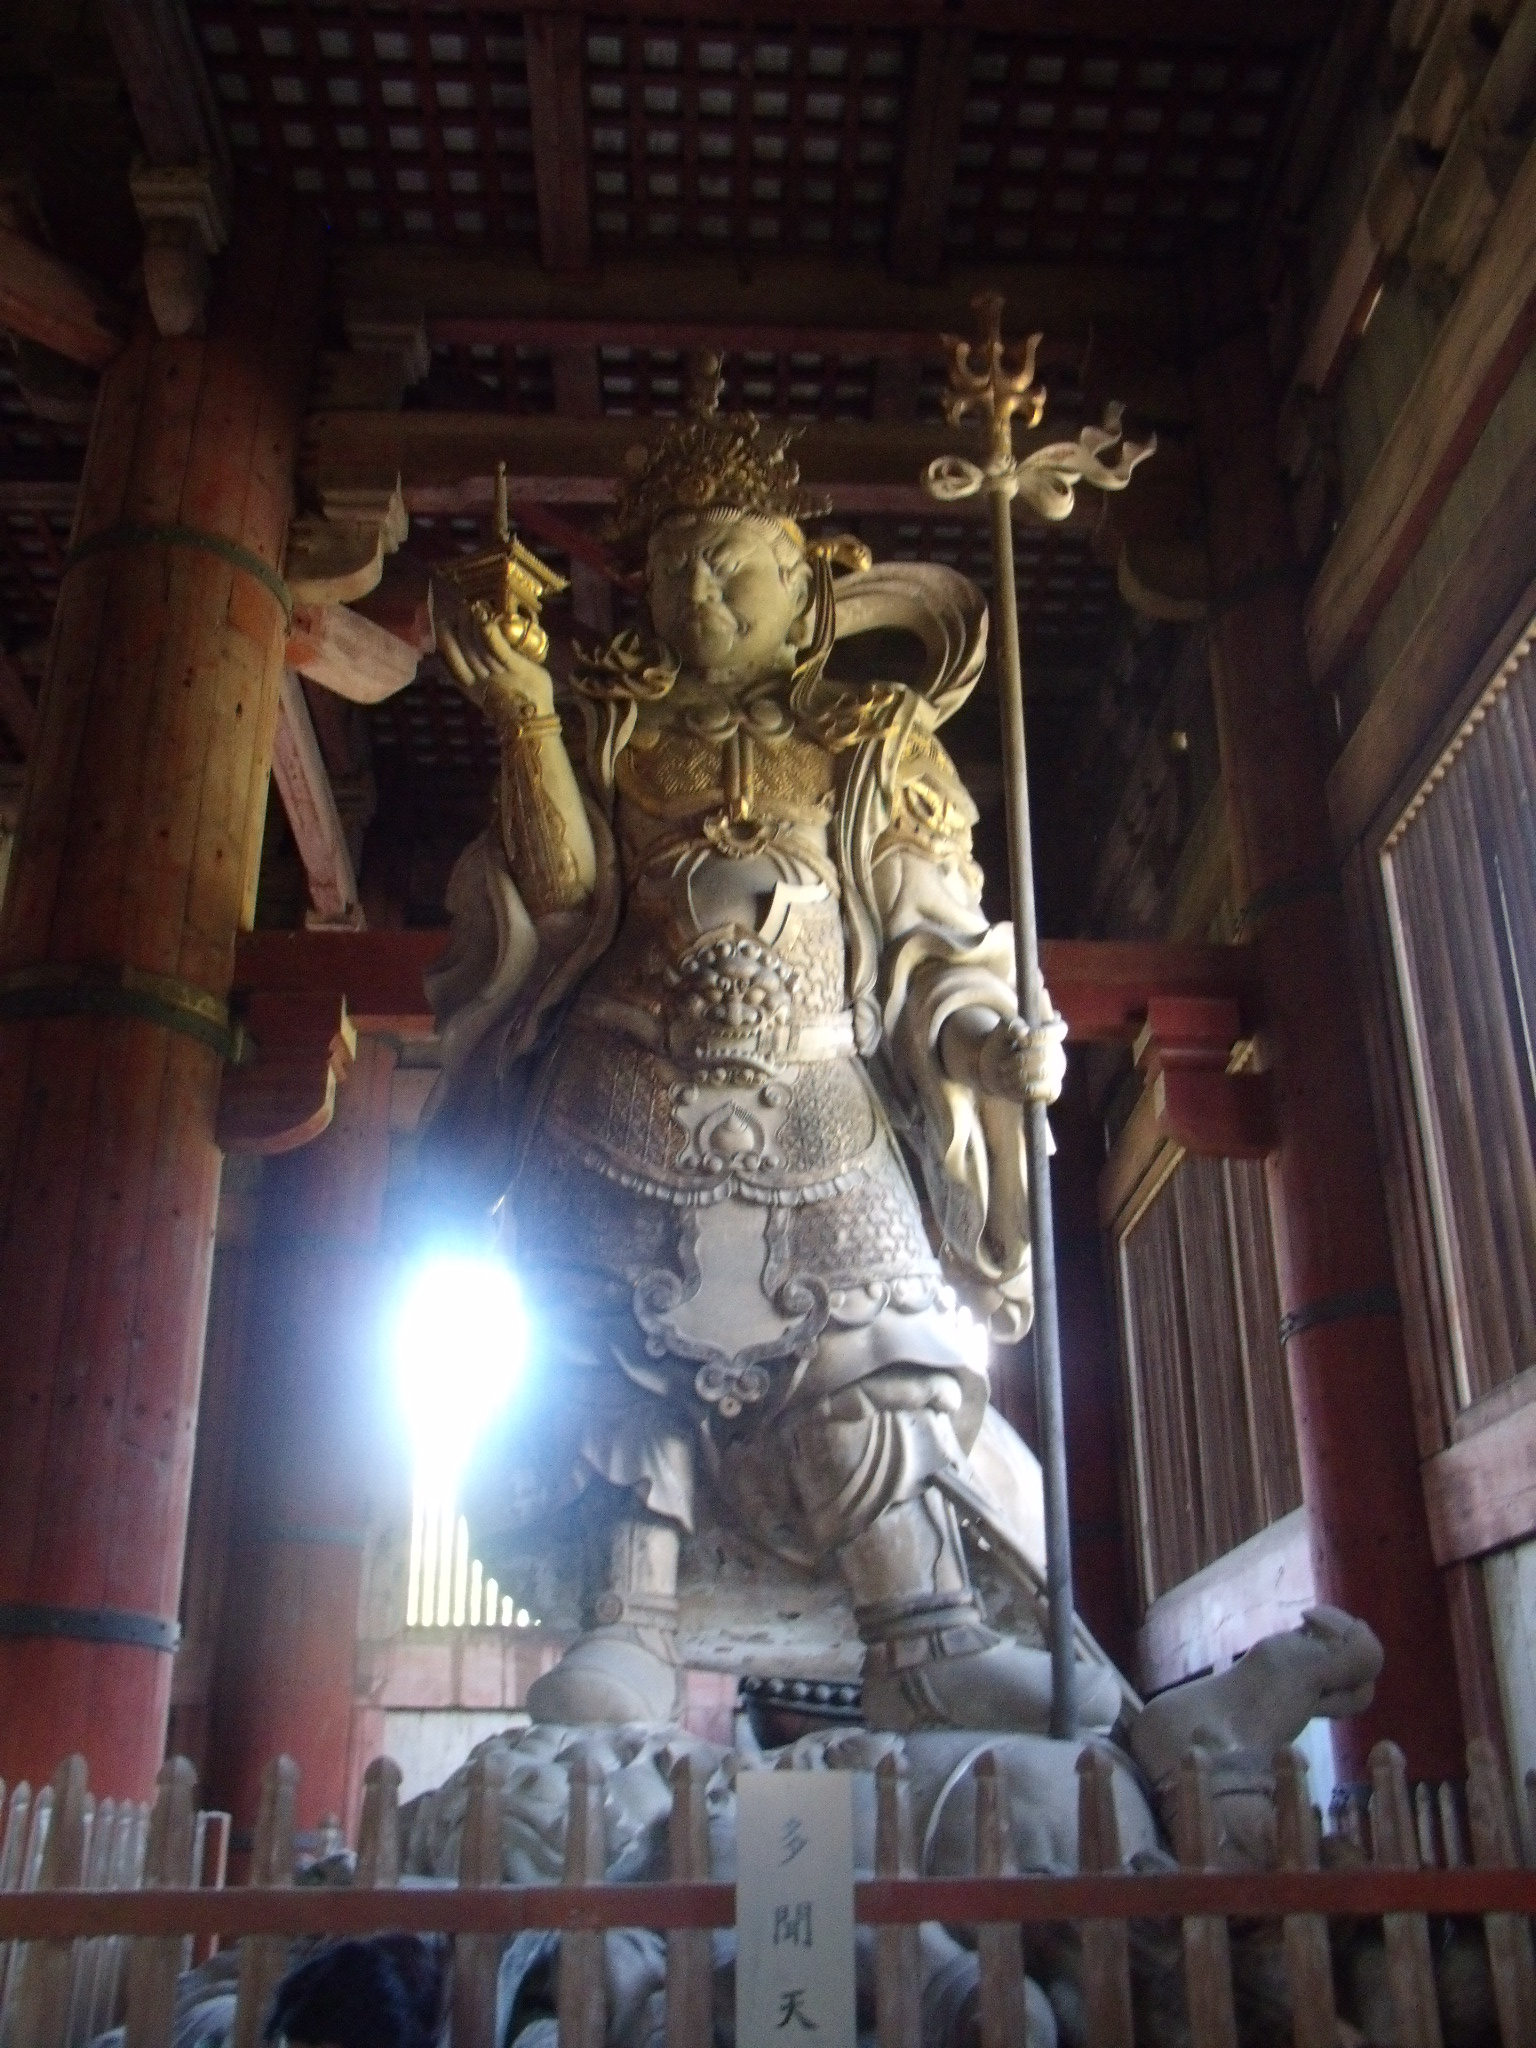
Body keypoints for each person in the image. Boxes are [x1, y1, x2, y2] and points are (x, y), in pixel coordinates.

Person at [423, 397, 1119, 1733]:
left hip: (821, 1101)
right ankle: (627, 1620)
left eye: (731, 562)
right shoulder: (607, 729)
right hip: (622, 1096)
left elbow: (929, 939)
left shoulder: (874, 742)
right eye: (674, 566)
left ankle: (922, 1627)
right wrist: (523, 719)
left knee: (872, 1345)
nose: (700, 593)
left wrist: (989, 1040)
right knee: (612, 1351)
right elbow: (559, 904)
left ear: (804, 585)